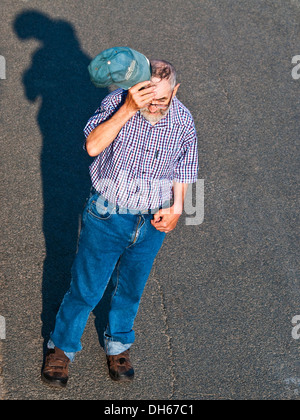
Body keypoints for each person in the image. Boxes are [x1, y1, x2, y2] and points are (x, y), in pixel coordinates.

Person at [42, 59, 198, 388]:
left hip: (153, 220)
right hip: (107, 214)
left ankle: (119, 345)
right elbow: (92, 145)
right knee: (86, 288)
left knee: (131, 289)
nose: (155, 106)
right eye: (148, 97)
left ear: (176, 91)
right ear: (135, 87)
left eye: (164, 99)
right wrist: (128, 108)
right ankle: (62, 348)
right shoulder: (117, 103)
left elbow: (185, 168)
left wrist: (178, 207)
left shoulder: (183, 120)